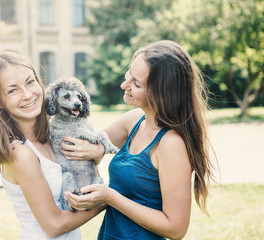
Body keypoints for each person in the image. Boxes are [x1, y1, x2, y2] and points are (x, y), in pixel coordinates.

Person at [63, 40, 215, 240]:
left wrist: (111, 197)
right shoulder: (135, 120)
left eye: (136, 83)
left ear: (161, 94)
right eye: (129, 74)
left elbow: (176, 229)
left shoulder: (171, 145)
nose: (124, 85)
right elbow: (85, 145)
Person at [0, 51, 105, 240]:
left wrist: (98, 151)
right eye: (13, 90)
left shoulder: (54, 131)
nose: (27, 95)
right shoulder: (20, 153)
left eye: (30, 82)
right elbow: (54, 225)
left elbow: (124, 125)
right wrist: (109, 199)